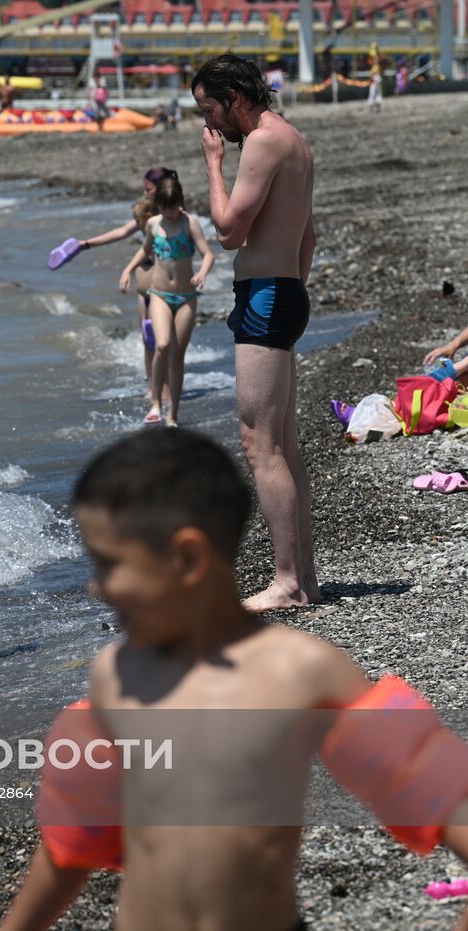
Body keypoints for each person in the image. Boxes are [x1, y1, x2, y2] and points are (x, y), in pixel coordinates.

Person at [0, 428, 468, 931]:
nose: (96, 586)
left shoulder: (300, 673)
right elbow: (74, 841)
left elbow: (426, 783)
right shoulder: (117, 677)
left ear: (188, 558)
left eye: (109, 564)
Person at [193, 52, 319, 612]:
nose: (210, 123)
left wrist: (213, 166)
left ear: (235, 97)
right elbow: (308, 236)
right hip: (280, 292)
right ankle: (305, 580)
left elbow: (226, 231)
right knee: (282, 445)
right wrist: (288, 289)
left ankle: (288, 582)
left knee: (259, 443)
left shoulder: (264, 142)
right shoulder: (293, 139)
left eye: (210, 109)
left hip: (267, 298)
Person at [66, 167, 176, 404]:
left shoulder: (173, 213)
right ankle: (152, 386)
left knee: (163, 340)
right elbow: (122, 232)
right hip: (143, 285)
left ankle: (165, 390)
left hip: (165, 285)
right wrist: (85, 244)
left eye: (148, 189)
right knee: (148, 338)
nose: (144, 193)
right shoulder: (145, 212)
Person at [119, 175, 214, 426]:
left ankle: (173, 414)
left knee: (177, 356)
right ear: (158, 205)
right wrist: (127, 270)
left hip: (186, 297)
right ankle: (155, 403)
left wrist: (202, 272)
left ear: (180, 203)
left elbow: (207, 254)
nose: (169, 213)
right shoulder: (152, 224)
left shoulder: (189, 223)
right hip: (159, 294)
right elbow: (145, 250)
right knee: (161, 345)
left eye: (173, 207)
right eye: (164, 208)